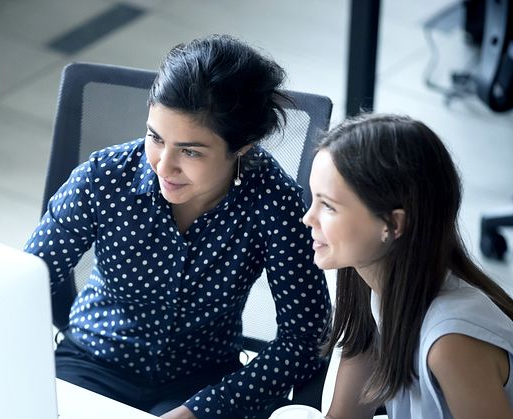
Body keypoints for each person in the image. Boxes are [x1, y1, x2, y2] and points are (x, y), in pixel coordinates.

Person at [24, 34, 331, 419]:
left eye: (190, 151)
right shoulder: (103, 178)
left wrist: (201, 409)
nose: (163, 166)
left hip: (203, 382)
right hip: (92, 362)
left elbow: (304, 339)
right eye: (156, 137)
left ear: (243, 147)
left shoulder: (272, 200)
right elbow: (24, 283)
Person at [301, 114, 513, 419]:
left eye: (329, 206)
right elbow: (346, 413)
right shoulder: (370, 274)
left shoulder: (452, 345)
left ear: (392, 224)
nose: (309, 217)